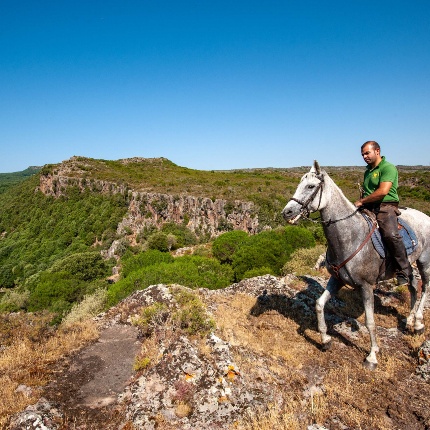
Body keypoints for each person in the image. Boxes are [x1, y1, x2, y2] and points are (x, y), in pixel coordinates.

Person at [354, 141, 413, 285]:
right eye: (363, 154)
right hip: (369, 206)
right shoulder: (368, 171)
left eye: (367, 153)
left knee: (390, 234)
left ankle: (404, 271)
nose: (364, 156)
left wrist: (361, 201)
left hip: (385, 206)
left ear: (377, 151)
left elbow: (382, 191)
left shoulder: (388, 168)